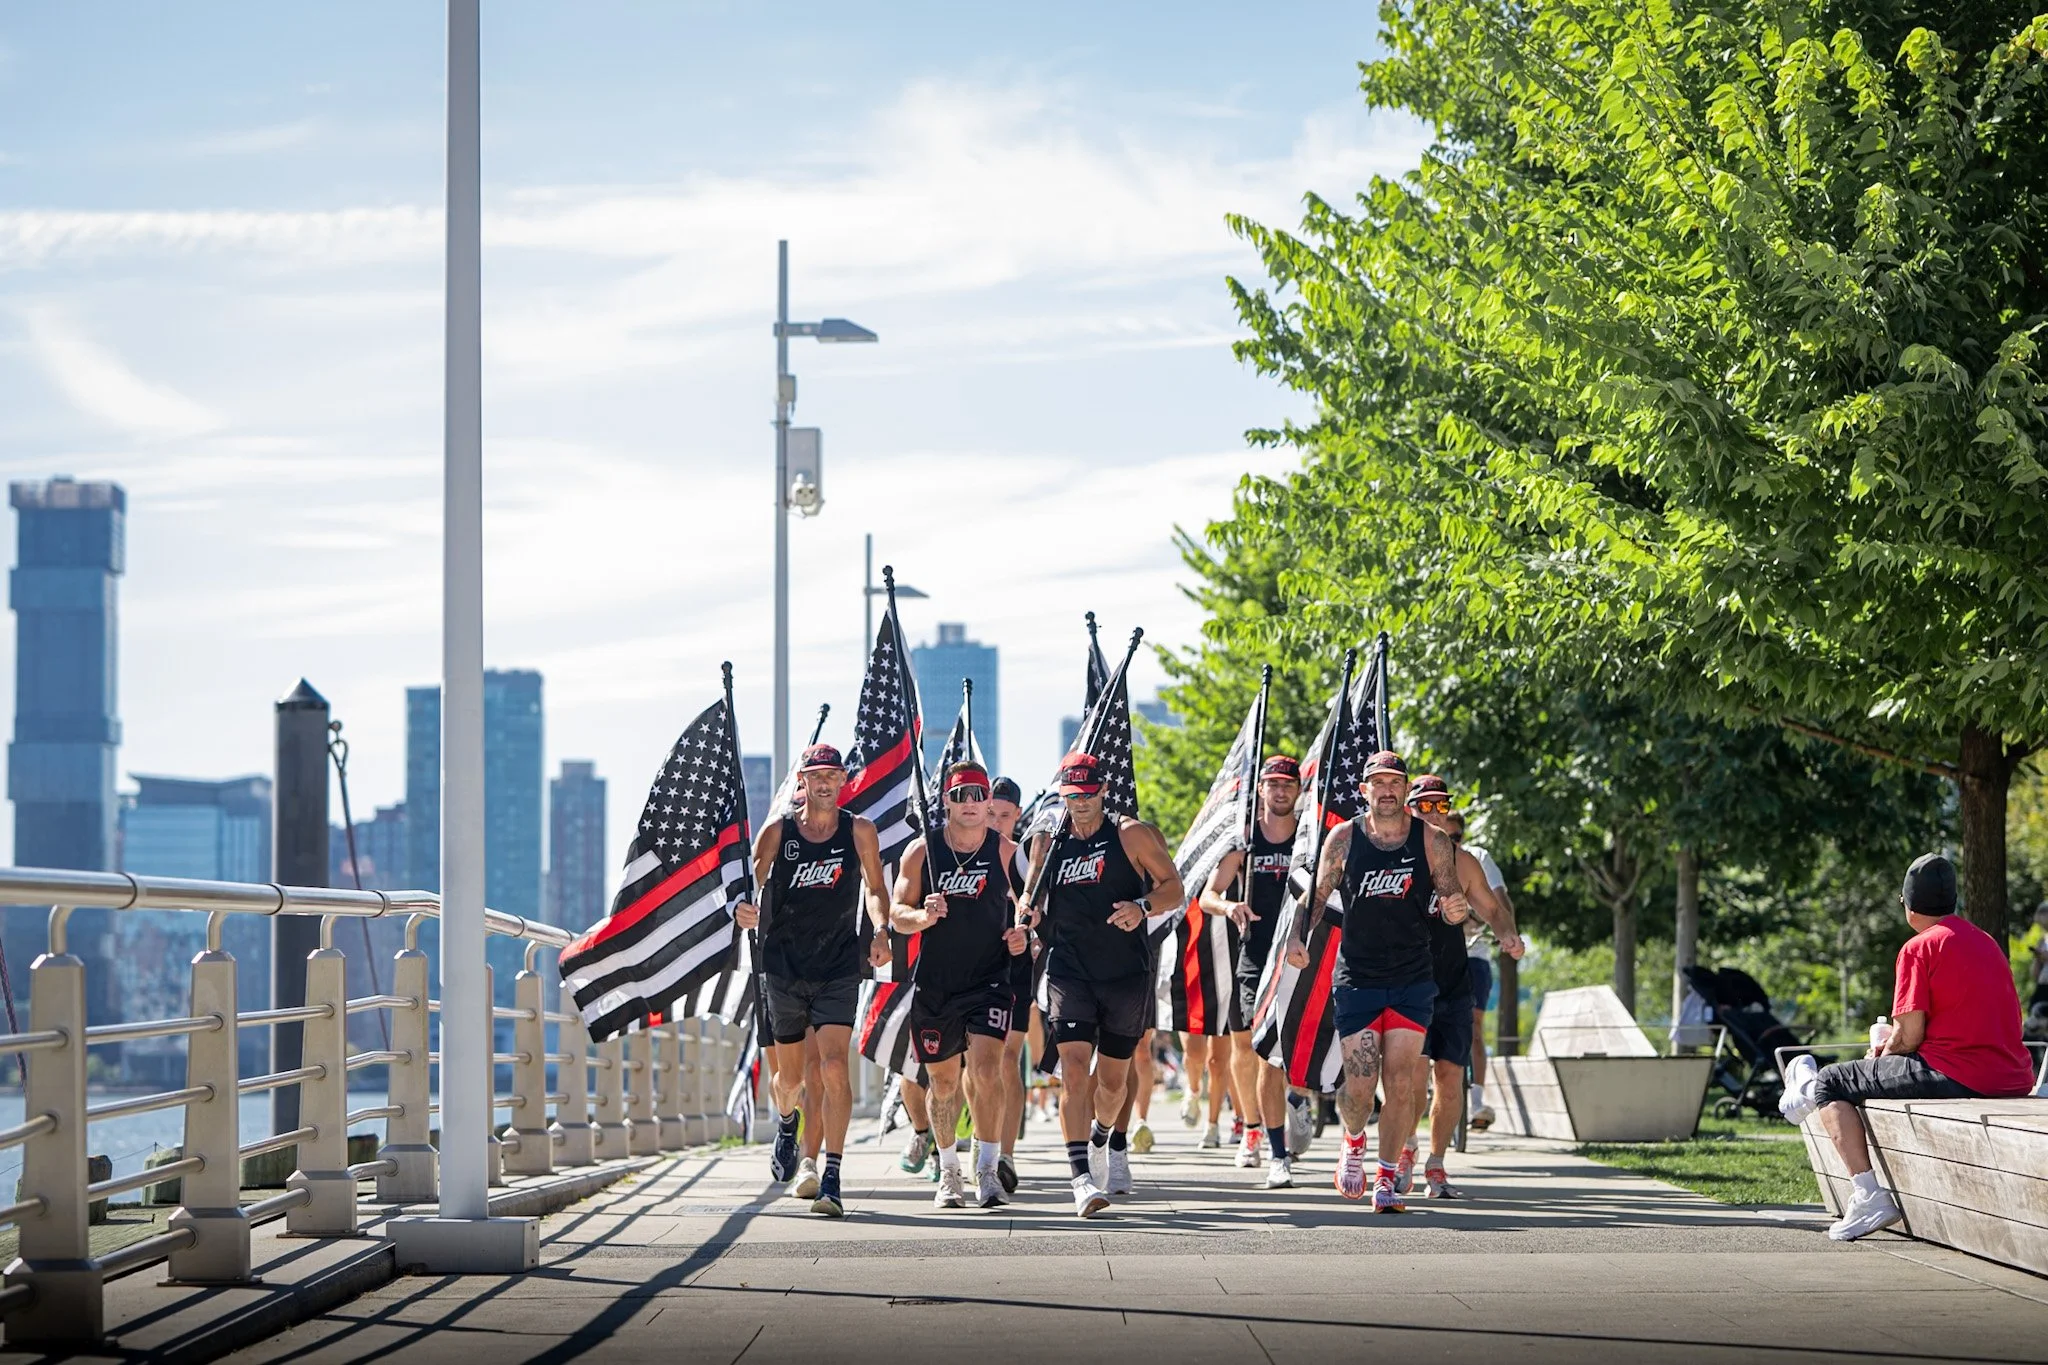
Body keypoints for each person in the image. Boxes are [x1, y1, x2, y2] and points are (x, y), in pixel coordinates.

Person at [1284, 751, 1501, 1212]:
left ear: (1405, 790)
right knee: (1360, 1088)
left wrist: (1456, 909)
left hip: (1412, 977)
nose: (1386, 791)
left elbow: (1450, 900)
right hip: (1358, 978)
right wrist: (1296, 939)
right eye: (1378, 783)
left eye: (1394, 783)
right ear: (1365, 790)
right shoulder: (1344, 838)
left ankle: (1385, 1179)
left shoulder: (1432, 840)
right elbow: (1317, 895)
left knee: (1402, 1083)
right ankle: (1353, 1140)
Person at [1782, 853, 2037, 1241]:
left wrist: (1880, 1055)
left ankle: (1868, 1196)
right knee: (1847, 1077)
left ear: (1909, 904)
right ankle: (1800, 1096)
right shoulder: (1985, 941)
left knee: (1832, 1081)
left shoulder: (1919, 947)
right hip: (2012, 1075)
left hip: (1956, 1072)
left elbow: (1909, 1036)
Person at [734, 744, 893, 1218]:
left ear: (843, 780)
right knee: (791, 1079)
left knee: (834, 1067)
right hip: (784, 967)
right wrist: (743, 908)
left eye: (831, 775)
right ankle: (788, 1121)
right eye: (815, 775)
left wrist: (881, 929)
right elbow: (749, 884)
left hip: (838, 966)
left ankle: (833, 1175)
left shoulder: (858, 830)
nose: (824, 782)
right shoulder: (778, 832)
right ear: (802, 781)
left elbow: (875, 888)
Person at [1024, 751, 1185, 1217]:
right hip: (1069, 971)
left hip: (1124, 974)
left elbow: (1174, 888)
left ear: (1104, 791)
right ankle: (1080, 1179)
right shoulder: (1048, 840)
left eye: (1088, 794)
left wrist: (1142, 907)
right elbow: (1031, 896)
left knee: (1112, 1085)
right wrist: (1026, 916)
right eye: (1072, 795)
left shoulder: (1130, 834)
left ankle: (1103, 1137)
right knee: (1074, 1070)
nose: (1080, 803)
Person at [891, 761, 1031, 1210]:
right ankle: (949, 1169)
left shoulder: (1006, 851)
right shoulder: (923, 851)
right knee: (944, 1082)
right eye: (960, 795)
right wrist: (923, 915)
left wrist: (1023, 932)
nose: (969, 803)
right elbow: (897, 913)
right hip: (936, 984)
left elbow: (1032, 906)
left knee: (988, 1069)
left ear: (988, 802)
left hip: (990, 980)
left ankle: (987, 1170)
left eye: (977, 794)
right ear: (946, 801)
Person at [1396, 776, 1523, 1198]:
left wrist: (1507, 934)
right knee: (1412, 1079)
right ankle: (1406, 1149)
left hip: (1452, 981)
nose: (1434, 813)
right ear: (1409, 807)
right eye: (1425, 805)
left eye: (1441, 805)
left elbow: (1493, 907)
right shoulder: (1392, 856)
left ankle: (1436, 1166)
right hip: (1407, 982)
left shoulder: (1462, 859)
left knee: (1450, 1075)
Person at [1203, 754, 1303, 1188]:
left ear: (1298, 791)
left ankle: (1296, 1099)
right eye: (1272, 784)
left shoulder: (1309, 840)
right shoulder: (1245, 841)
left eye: (1287, 784)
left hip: (1297, 956)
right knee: (1253, 1047)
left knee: (1291, 1048)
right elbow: (1208, 895)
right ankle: (1257, 1132)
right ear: (1260, 789)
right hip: (1253, 956)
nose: (1280, 791)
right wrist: (1230, 907)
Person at [987, 775, 1033, 1193]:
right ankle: (981, 1141)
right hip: (972, 966)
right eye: (991, 813)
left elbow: (1041, 908)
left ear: (1017, 815)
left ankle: (1005, 1155)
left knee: (1008, 1057)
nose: (996, 822)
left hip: (1016, 963)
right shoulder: (963, 855)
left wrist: (1032, 932)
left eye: (1004, 815)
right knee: (975, 1060)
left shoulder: (1023, 860)